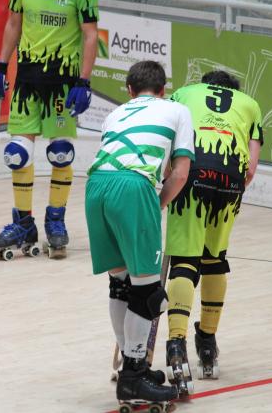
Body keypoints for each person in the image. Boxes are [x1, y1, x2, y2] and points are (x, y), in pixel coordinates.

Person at [85, 61, 195, 404]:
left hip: (95, 186)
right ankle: (133, 377)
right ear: (163, 90)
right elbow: (180, 173)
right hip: (134, 187)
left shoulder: (114, 114)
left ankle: (132, 370)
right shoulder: (177, 110)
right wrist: (156, 204)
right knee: (148, 294)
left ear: (129, 91)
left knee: (120, 284)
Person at [0, 0, 98, 255]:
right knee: (16, 153)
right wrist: (0, 66)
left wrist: (84, 81)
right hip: (27, 80)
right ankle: (23, 223)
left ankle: (56, 220)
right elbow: (14, 23)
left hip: (62, 83)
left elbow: (90, 36)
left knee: (61, 152)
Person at [163, 70, 263, 389]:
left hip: (191, 175)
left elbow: (166, 137)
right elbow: (251, 168)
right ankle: (207, 341)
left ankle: (176, 344)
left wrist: (166, 180)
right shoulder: (250, 104)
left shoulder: (184, 93)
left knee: (184, 263)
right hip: (229, 181)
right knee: (214, 259)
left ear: (204, 84)